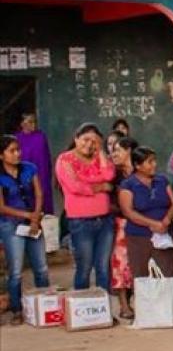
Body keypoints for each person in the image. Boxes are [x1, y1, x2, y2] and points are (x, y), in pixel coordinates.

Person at [56, 123, 115, 292]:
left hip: (105, 221)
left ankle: (104, 311)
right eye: (85, 139)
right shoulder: (65, 159)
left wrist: (101, 152)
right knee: (84, 267)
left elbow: (109, 175)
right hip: (81, 222)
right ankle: (82, 312)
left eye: (94, 141)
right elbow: (74, 187)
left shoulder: (99, 158)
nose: (89, 144)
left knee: (103, 268)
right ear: (76, 138)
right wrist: (101, 187)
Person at [0, 135, 48, 325]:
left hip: (33, 220)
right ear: (1, 155)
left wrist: (35, 216)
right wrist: (29, 216)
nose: (17, 153)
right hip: (10, 224)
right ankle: (17, 309)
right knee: (16, 270)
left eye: (18, 149)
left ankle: (45, 303)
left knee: (42, 268)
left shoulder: (30, 168)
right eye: (11, 151)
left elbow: (38, 193)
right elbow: (2, 207)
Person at [118, 147, 173, 289]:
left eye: (154, 161)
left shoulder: (162, 180)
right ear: (138, 165)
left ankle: (167, 309)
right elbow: (128, 211)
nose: (154, 165)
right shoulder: (128, 185)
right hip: (139, 237)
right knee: (142, 275)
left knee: (168, 273)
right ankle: (147, 309)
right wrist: (152, 223)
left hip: (164, 234)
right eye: (149, 162)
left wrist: (167, 219)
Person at [107, 136, 138, 320]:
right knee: (120, 265)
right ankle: (124, 305)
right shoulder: (112, 175)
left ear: (129, 151)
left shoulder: (141, 171)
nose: (114, 154)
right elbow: (107, 202)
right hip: (120, 223)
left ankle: (136, 301)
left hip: (141, 223)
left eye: (118, 150)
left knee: (138, 264)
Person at [14, 113, 53, 214]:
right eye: (30, 122)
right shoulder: (16, 139)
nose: (33, 125)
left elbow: (47, 157)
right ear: (22, 123)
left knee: (44, 202)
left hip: (42, 175)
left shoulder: (41, 137)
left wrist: (50, 175)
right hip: (24, 175)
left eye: (35, 122)